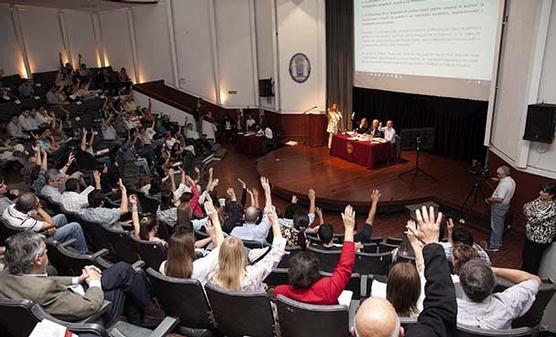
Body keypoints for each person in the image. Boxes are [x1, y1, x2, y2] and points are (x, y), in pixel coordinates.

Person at [0, 232, 163, 325]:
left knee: (123, 270)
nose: (47, 252)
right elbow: (90, 306)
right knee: (128, 277)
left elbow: (41, 282)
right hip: (88, 318)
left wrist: (78, 279)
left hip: (66, 299)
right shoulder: (43, 291)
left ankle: (144, 314)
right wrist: (93, 282)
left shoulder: (6, 274)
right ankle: (147, 314)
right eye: (44, 251)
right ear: (36, 259)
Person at [354, 206, 456, 337]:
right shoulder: (424, 326)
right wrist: (431, 244)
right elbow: (442, 307)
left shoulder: (377, 289)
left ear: (352, 332)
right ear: (401, 332)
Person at [273, 204, 356, 305]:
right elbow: (345, 266)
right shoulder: (327, 290)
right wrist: (349, 229)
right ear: (317, 273)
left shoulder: (281, 293)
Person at [209, 206, 286, 291]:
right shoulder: (251, 276)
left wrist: (215, 220)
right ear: (242, 255)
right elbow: (276, 253)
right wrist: (274, 222)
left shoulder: (212, 277)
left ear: (221, 256)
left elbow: (219, 248)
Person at [457, 259, 541, 329]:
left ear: (461, 284)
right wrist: (493, 270)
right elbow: (534, 280)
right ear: (494, 283)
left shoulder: (449, 309)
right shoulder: (507, 305)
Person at [159, 201, 224, 285]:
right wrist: (215, 220)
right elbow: (221, 250)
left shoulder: (163, 266)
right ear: (190, 249)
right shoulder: (199, 267)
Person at [2, 192, 87, 253]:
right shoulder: (24, 222)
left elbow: (35, 217)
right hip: (37, 240)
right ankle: (83, 252)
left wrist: (48, 226)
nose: (40, 204)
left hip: (29, 233)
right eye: (38, 203)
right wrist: (39, 209)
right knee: (75, 226)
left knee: (61, 217)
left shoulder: (11, 208)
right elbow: (51, 223)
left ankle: (63, 246)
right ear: (33, 207)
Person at [521, 182, 556, 274]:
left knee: (533, 261)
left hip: (540, 239)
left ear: (551, 195)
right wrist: (531, 214)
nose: (540, 193)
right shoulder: (539, 199)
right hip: (530, 235)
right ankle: (522, 275)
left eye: (544, 192)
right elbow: (525, 206)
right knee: (525, 256)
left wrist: (530, 214)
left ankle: (530, 280)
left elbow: (535, 220)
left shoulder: (553, 207)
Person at [230, 177, 273, 242]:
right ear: (257, 218)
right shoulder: (261, 230)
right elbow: (269, 213)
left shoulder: (235, 231)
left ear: (244, 216)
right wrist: (267, 191)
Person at [485, 165, 516, 251]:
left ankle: (494, 245)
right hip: (505, 207)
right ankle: (498, 241)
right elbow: (504, 182)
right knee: (500, 224)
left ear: (504, 174)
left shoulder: (504, 185)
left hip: (498, 207)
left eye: (499, 174)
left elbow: (499, 199)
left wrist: (489, 199)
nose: (497, 175)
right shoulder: (511, 181)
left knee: (496, 226)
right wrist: (498, 180)